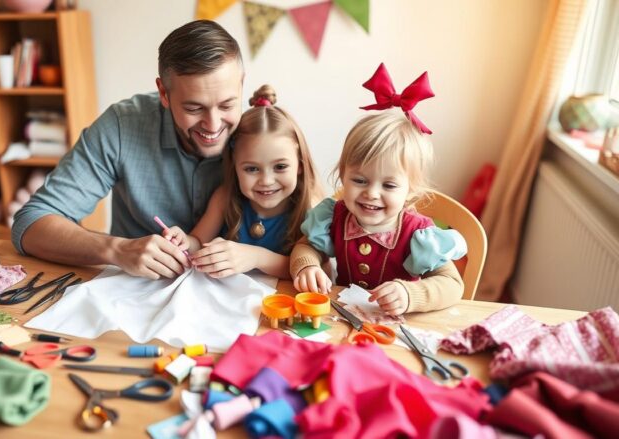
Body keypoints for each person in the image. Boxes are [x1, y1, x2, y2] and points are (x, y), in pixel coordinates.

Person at [11, 20, 244, 280]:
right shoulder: (122, 125)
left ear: (241, 84)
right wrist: (116, 249)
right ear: (164, 94)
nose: (213, 125)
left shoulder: (267, 134)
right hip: (132, 291)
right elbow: (30, 224)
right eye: (194, 108)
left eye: (226, 105)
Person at [290, 64, 467, 315]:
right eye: (360, 181)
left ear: (410, 190)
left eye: (389, 185)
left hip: (400, 330)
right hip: (344, 318)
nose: (371, 193)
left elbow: (452, 285)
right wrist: (307, 266)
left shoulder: (418, 235)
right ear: (343, 176)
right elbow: (306, 246)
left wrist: (409, 294)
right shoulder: (335, 217)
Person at [162, 85, 323, 279]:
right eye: (251, 169)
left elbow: (318, 272)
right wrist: (184, 241)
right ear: (235, 167)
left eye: (280, 167)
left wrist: (257, 257)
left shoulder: (312, 208)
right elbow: (197, 241)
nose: (266, 181)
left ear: (300, 165)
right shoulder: (225, 198)